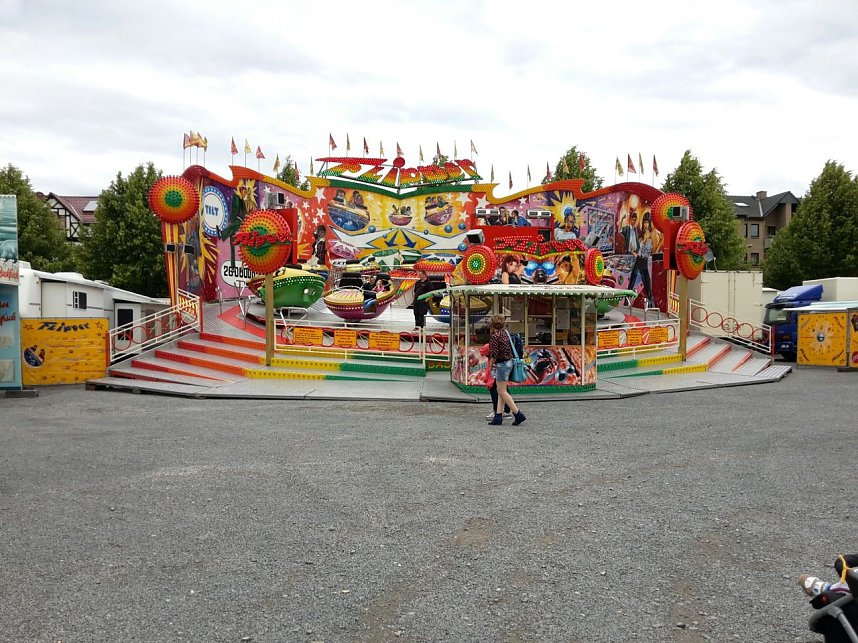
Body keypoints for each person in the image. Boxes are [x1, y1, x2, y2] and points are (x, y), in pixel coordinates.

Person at [484, 314, 525, 426]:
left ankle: (518, 413)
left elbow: (494, 354)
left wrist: (491, 365)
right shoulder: (505, 334)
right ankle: (498, 416)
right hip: (509, 362)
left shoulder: (495, 337)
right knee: (501, 390)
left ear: (492, 324)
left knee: (502, 391)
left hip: (501, 365)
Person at [479, 343, 511, 420]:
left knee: (495, 390)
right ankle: (506, 410)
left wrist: (490, 366)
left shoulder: (494, 340)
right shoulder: (506, 340)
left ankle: (498, 411)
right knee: (504, 390)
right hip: (504, 368)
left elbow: (483, 351)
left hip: (495, 370)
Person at [628, 217, 654, 307]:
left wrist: (647, 240)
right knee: (633, 278)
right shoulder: (641, 238)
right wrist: (632, 252)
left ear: (649, 224)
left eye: (647, 223)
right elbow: (639, 253)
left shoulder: (651, 236)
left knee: (646, 281)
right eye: (644, 223)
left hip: (644, 261)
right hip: (639, 259)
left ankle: (651, 302)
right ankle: (627, 300)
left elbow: (650, 252)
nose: (646, 225)